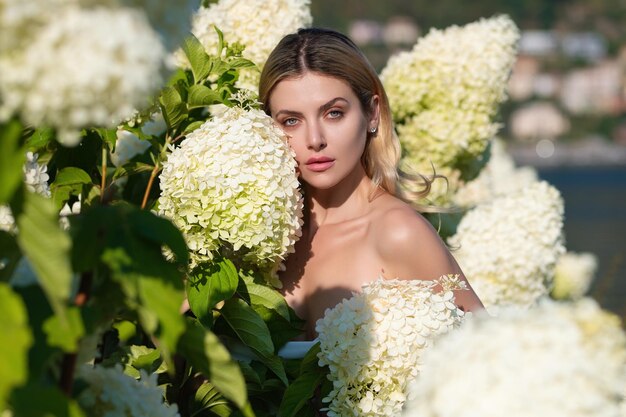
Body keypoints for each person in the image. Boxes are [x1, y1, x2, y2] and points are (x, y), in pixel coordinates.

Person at [259, 27, 484, 341]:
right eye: (291, 121)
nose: (314, 140)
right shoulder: (265, 240)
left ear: (372, 113)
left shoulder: (399, 233)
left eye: (333, 113)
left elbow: (488, 358)